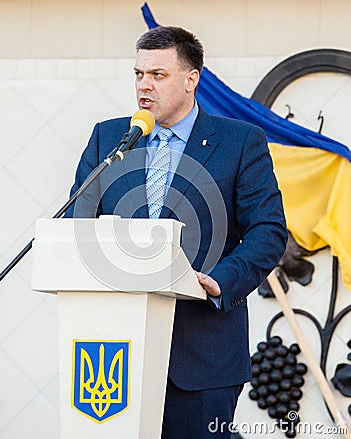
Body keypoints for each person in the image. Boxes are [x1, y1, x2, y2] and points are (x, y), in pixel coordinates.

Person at [65, 26, 287, 438]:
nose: (144, 85)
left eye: (157, 75)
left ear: (191, 79)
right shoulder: (109, 138)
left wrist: (220, 282)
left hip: (202, 355)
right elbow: (75, 224)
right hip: (111, 359)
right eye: (138, 74)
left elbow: (268, 230)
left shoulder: (240, 142)